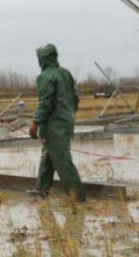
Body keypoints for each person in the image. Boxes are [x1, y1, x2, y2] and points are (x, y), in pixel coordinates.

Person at [28, 44, 85, 201]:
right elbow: (75, 97)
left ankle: (78, 197)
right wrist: (68, 114)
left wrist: (35, 124)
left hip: (56, 127)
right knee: (48, 157)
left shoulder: (45, 76)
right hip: (64, 122)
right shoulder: (65, 73)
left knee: (62, 161)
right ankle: (42, 190)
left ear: (42, 59)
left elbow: (45, 104)